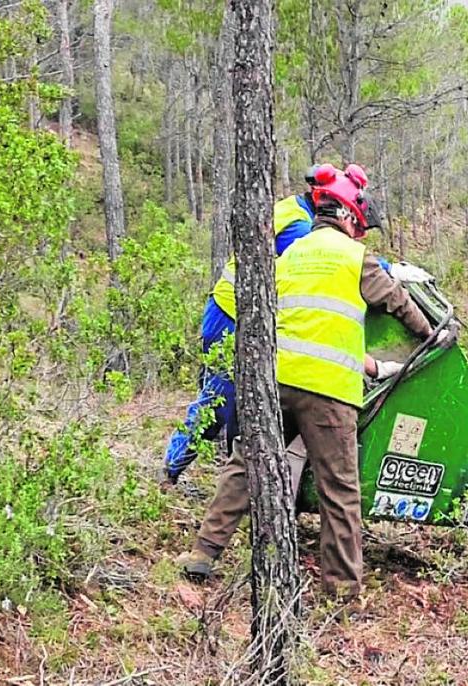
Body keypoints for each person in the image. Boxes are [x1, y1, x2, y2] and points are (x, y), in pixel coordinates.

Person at [176, 164, 436, 598]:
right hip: (328, 391)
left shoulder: (292, 252)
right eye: (361, 224)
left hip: (276, 382)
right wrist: (432, 333)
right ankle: (341, 592)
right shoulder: (355, 258)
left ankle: (203, 553)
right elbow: (394, 299)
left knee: (245, 465)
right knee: (339, 492)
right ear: (350, 216)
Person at [159, 184, 317, 485]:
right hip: (232, 316)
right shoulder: (299, 225)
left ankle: (234, 479)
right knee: (218, 402)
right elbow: (314, 259)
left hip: (226, 309)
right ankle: (170, 469)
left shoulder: (292, 207)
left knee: (236, 405)